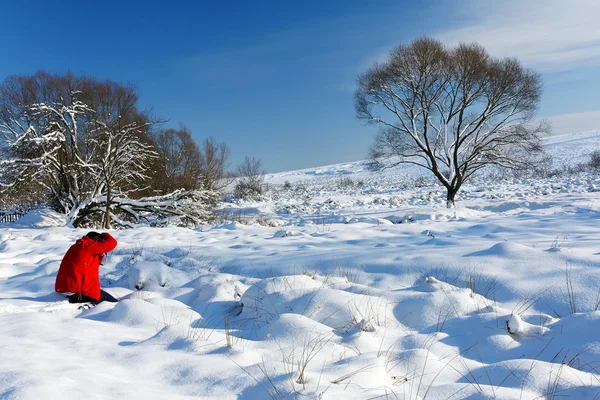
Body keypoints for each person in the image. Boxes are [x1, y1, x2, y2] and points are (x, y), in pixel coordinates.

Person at [55, 231, 119, 304]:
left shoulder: (77, 246)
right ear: (97, 240)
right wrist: (105, 235)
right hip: (77, 291)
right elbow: (112, 243)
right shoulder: (89, 246)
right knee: (115, 304)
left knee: (100, 295)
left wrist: (100, 255)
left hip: (66, 288)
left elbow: (91, 265)